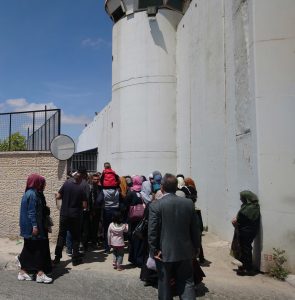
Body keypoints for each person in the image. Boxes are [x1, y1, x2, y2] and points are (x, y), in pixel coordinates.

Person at [148, 173, 200, 300]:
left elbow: (152, 231)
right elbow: (195, 229)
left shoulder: (156, 205)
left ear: (162, 188)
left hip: (164, 252)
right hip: (186, 250)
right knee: (187, 282)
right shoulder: (188, 203)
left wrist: (153, 249)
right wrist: (196, 247)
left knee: (164, 284)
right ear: (176, 187)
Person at [18, 174, 52, 283]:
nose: (43, 185)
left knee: (30, 249)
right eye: (41, 182)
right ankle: (40, 273)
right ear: (36, 182)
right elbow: (32, 212)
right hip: (32, 227)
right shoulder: (33, 194)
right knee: (38, 249)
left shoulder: (28, 193)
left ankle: (23, 272)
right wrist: (35, 226)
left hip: (27, 227)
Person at [53, 171, 87, 266]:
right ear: (80, 179)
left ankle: (57, 258)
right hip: (76, 216)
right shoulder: (81, 189)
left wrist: (56, 196)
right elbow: (84, 205)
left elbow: (59, 196)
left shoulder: (66, 184)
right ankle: (75, 260)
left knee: (61, 236)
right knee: (76, 237)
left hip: (64, 215)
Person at [231, 190, 260, 276]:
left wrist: (235, 221)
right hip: (249, 231)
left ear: (246, 198)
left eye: (242, 198)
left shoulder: (249, 208)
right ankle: (244, 267)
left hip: (246, 231)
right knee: (245, 248)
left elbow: (241, 219)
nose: (240, 199)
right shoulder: (253, 206)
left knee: (245, 249)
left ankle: (248, 268)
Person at [100, 162, 120, 253]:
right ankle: (116, 246)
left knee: (106, 229)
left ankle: (107, 248)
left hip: (106, 210)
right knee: (115, 228)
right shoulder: (117, 190)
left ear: (104, 167)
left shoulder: (103, 190)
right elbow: (118, 181)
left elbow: (98, 200)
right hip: (116, 209)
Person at [126, 175, 145, 267]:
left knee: (133, 238)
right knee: (139, 238)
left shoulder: (131, 192)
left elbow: (125, 205)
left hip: (132, 219)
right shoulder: (143, 192)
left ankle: (134, 259)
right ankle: (138, 258)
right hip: (141, 218)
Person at [89, 172, 103, 248]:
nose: (96, 180)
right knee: (92, 226)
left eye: (97, 179)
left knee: (97, 226)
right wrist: (92, 210)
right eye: (94, 179)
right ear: (92, 180)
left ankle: (95, 240)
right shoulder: (90, 188)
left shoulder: (100, 188)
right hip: (91, 210)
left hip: (98, 210)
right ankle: (92, 241)